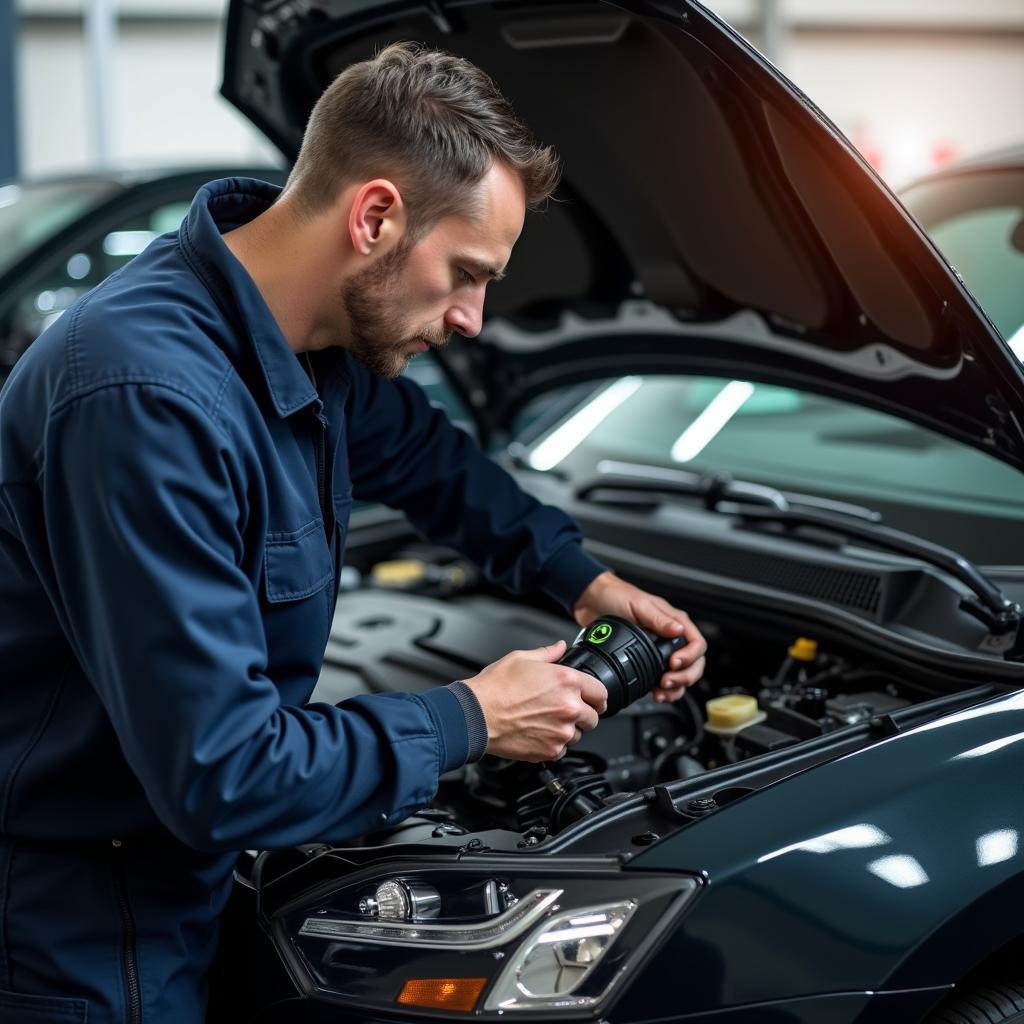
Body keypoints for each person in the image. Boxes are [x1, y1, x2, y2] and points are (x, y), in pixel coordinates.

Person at [0, 42, 706, 1024]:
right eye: (465, 272)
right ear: (374, 216)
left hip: (173, 887)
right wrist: (472, 717)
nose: (471, 318)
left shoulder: (305, 333)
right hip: (78, 931)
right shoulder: (142, 398)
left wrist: (579, 579)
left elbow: (427, 458)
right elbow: (224, 771)